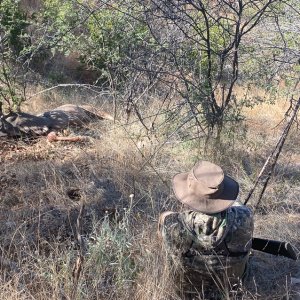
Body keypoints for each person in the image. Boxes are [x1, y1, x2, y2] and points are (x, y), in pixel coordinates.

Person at [158, 160, 254, 295]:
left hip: (187, 291)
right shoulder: (245, 216)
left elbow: (168, 239)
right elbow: (239, 210)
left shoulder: (173, 222)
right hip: (230, 289)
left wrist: (168, 217)